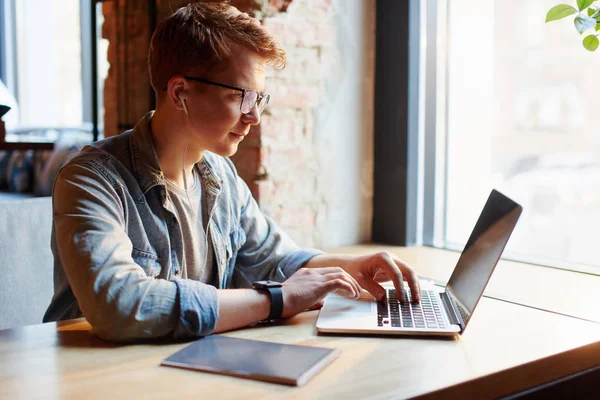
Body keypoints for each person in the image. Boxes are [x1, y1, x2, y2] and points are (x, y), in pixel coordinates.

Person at [43, 2, 420, 341]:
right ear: (179, 93)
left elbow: (274, 258)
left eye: (260, 98)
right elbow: (119, 304)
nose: (255, 116)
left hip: (187, 368)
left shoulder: (220, 175)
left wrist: (350, 267)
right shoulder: (90, 180)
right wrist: (275, 300)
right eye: (242, 96)